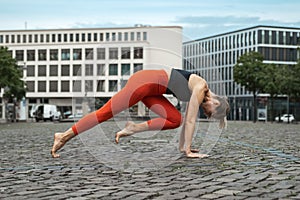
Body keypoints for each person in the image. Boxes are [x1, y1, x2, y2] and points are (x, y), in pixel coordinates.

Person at [51, 68, 230, 158]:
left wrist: (184, 148)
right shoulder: (200, 88)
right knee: (104, 113)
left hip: (153, 91)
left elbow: (186, 121)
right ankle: (64, 135)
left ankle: (132, 128)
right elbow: (192, 120)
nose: (207, 113)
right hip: (143, 83)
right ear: (216, 102)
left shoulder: (201, 90)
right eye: (212, 112)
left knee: (176, 119)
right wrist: (189, 151)